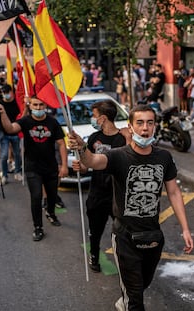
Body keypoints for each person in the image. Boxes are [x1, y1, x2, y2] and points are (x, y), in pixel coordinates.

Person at [68, 104, 194, 311]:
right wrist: (82, 148)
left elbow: (173, 192)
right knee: (136, 300)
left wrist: (185, 229)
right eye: (140, 123)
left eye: (150, 123)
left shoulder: (164, 157)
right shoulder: (118, 156)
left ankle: (126, 299)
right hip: (125, 236)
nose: (145, 128)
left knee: (142, 284)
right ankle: (128, 302)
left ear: (155, 126)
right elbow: (91, 160)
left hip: (153, 235)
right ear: (130, 127)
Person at [0, 96, 68, 241]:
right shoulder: (26, 121)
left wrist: (64, 165)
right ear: (30, 105)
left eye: (41, 105)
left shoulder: (53, 122)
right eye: (35, 105)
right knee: (36, 196)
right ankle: (38, 227)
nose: (38, 108)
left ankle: (50, 213)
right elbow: (10, 128)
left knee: (52, 196)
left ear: (45, 105)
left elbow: (61, 144)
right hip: (33, 168)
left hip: (51, 167)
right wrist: (3, 113)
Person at [72, 101, 127, 273]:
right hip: (97, 194)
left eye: (94, 115)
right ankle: (94, 256)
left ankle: (127, 260)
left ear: (103, 118)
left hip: (116, 194)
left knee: (123, 231)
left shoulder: (123, 139)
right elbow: (86, 166)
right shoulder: (94, 138)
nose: (92, 119)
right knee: (95, 231)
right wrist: (79, 167)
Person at [0, 84, 23, 184]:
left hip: (15, 133)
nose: (6, 95)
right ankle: (4, 175)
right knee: (4, 156)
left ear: (12, 92)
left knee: (17, 154)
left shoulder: (17, 103)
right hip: (3, 134)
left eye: (7, 92)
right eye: (4, 93)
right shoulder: (0, 104)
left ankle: (18, 172)